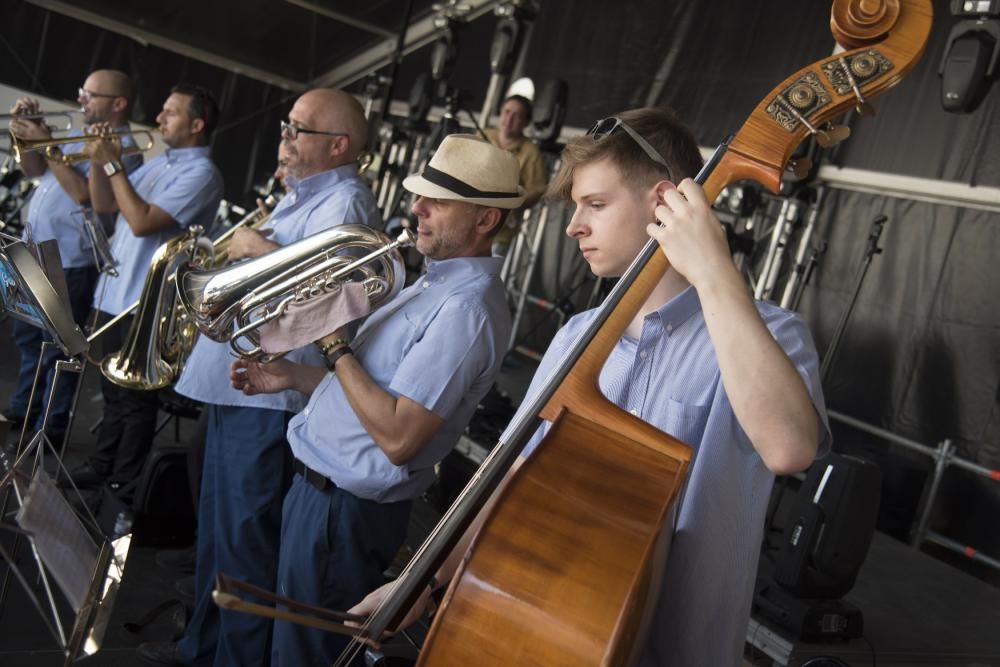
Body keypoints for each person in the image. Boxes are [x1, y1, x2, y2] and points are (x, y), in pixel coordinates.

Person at [349, 107, 831, 667]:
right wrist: (422, 583)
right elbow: (507, 476)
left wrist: (714, 270)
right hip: (549, 628)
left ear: (666, 203)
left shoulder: (769, 332)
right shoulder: (578, 335)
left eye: (595, 205)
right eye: (576, 207)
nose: (574, 225)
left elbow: (789, 447)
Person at [227, 133, 518, 666]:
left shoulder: (465, 310)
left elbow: (400, 437)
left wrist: (333, 341)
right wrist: (294, 377)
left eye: (439, 201)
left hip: (344, 514)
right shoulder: (434, 284)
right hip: (323, 500)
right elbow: (376, 398)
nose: (417, 208)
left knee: (305, 658)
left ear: (485, 220)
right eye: (420, 195)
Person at [136, 88, 382, 667]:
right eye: (286, 126)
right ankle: (200, 648)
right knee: (219, 540)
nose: (285, 137)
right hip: (238, 386)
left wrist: (258, 246)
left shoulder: (345, 203)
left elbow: (325, 304)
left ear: (338, 145)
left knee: (245, 549)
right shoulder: (308, 195)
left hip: (267, 402)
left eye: (298, 129)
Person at [71, 84, 224, 497]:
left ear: (196, 124)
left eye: (169, 113)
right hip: (116, 293)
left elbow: (141, 221)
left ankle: (124, 482)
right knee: (109, 389)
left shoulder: (202, 174)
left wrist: (115, 168)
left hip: (146, 302)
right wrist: (100, 162)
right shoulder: (160, 164)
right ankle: (103, 465)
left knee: (135, 399)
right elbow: (106, 205)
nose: (158, 120)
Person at [4, 70, 141, 442]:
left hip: (72, 260)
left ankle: (50, 428)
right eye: (82, 91)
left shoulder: (122, 145)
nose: (81, 99)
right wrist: (27, 131)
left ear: (118, 103)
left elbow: (85, 195)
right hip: (38, 253)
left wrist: (47, 144)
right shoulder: (78, 135)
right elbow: (35, 171)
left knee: (57, 350)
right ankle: (24, 409)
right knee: (28, 340)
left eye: (90, 94)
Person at [483, 94, 547, 254]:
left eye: (517, 115)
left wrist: (512, 203)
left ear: (525, 122)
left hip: (499, 233)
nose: (509, 119)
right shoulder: (483, 136)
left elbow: (538, 190)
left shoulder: (532, 153)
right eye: (506, 112)